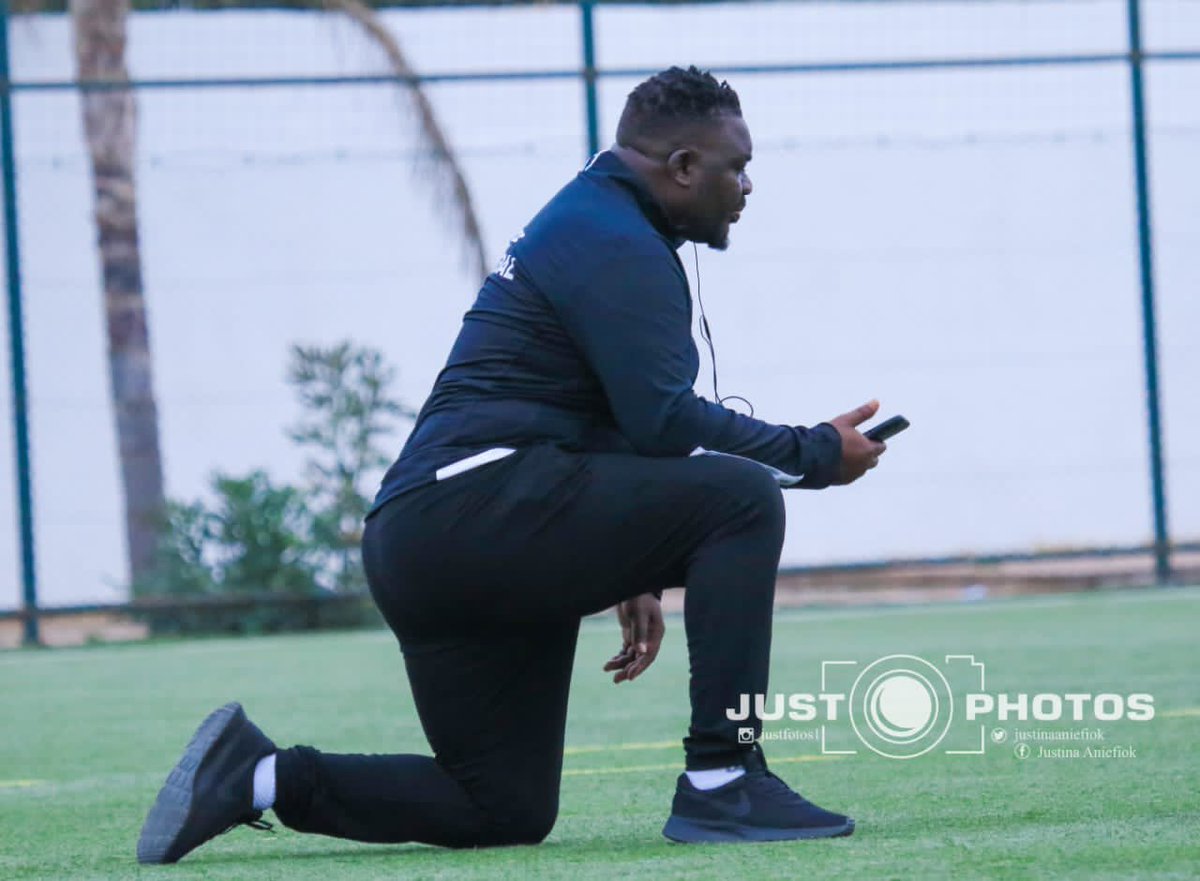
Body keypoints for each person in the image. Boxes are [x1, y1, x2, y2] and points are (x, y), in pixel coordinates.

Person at [136, 65, 886, 864]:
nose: (746, 187)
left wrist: (633, 561)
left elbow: (604, 413)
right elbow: (662, 421)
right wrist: (811, 453)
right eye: (737, 167)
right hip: (471, 513)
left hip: (436, 538)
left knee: (500, 802)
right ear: (682, 167)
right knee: (740, 498)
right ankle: (723, 778)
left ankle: (257, 776)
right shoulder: (613, 238)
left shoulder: (596, 221)